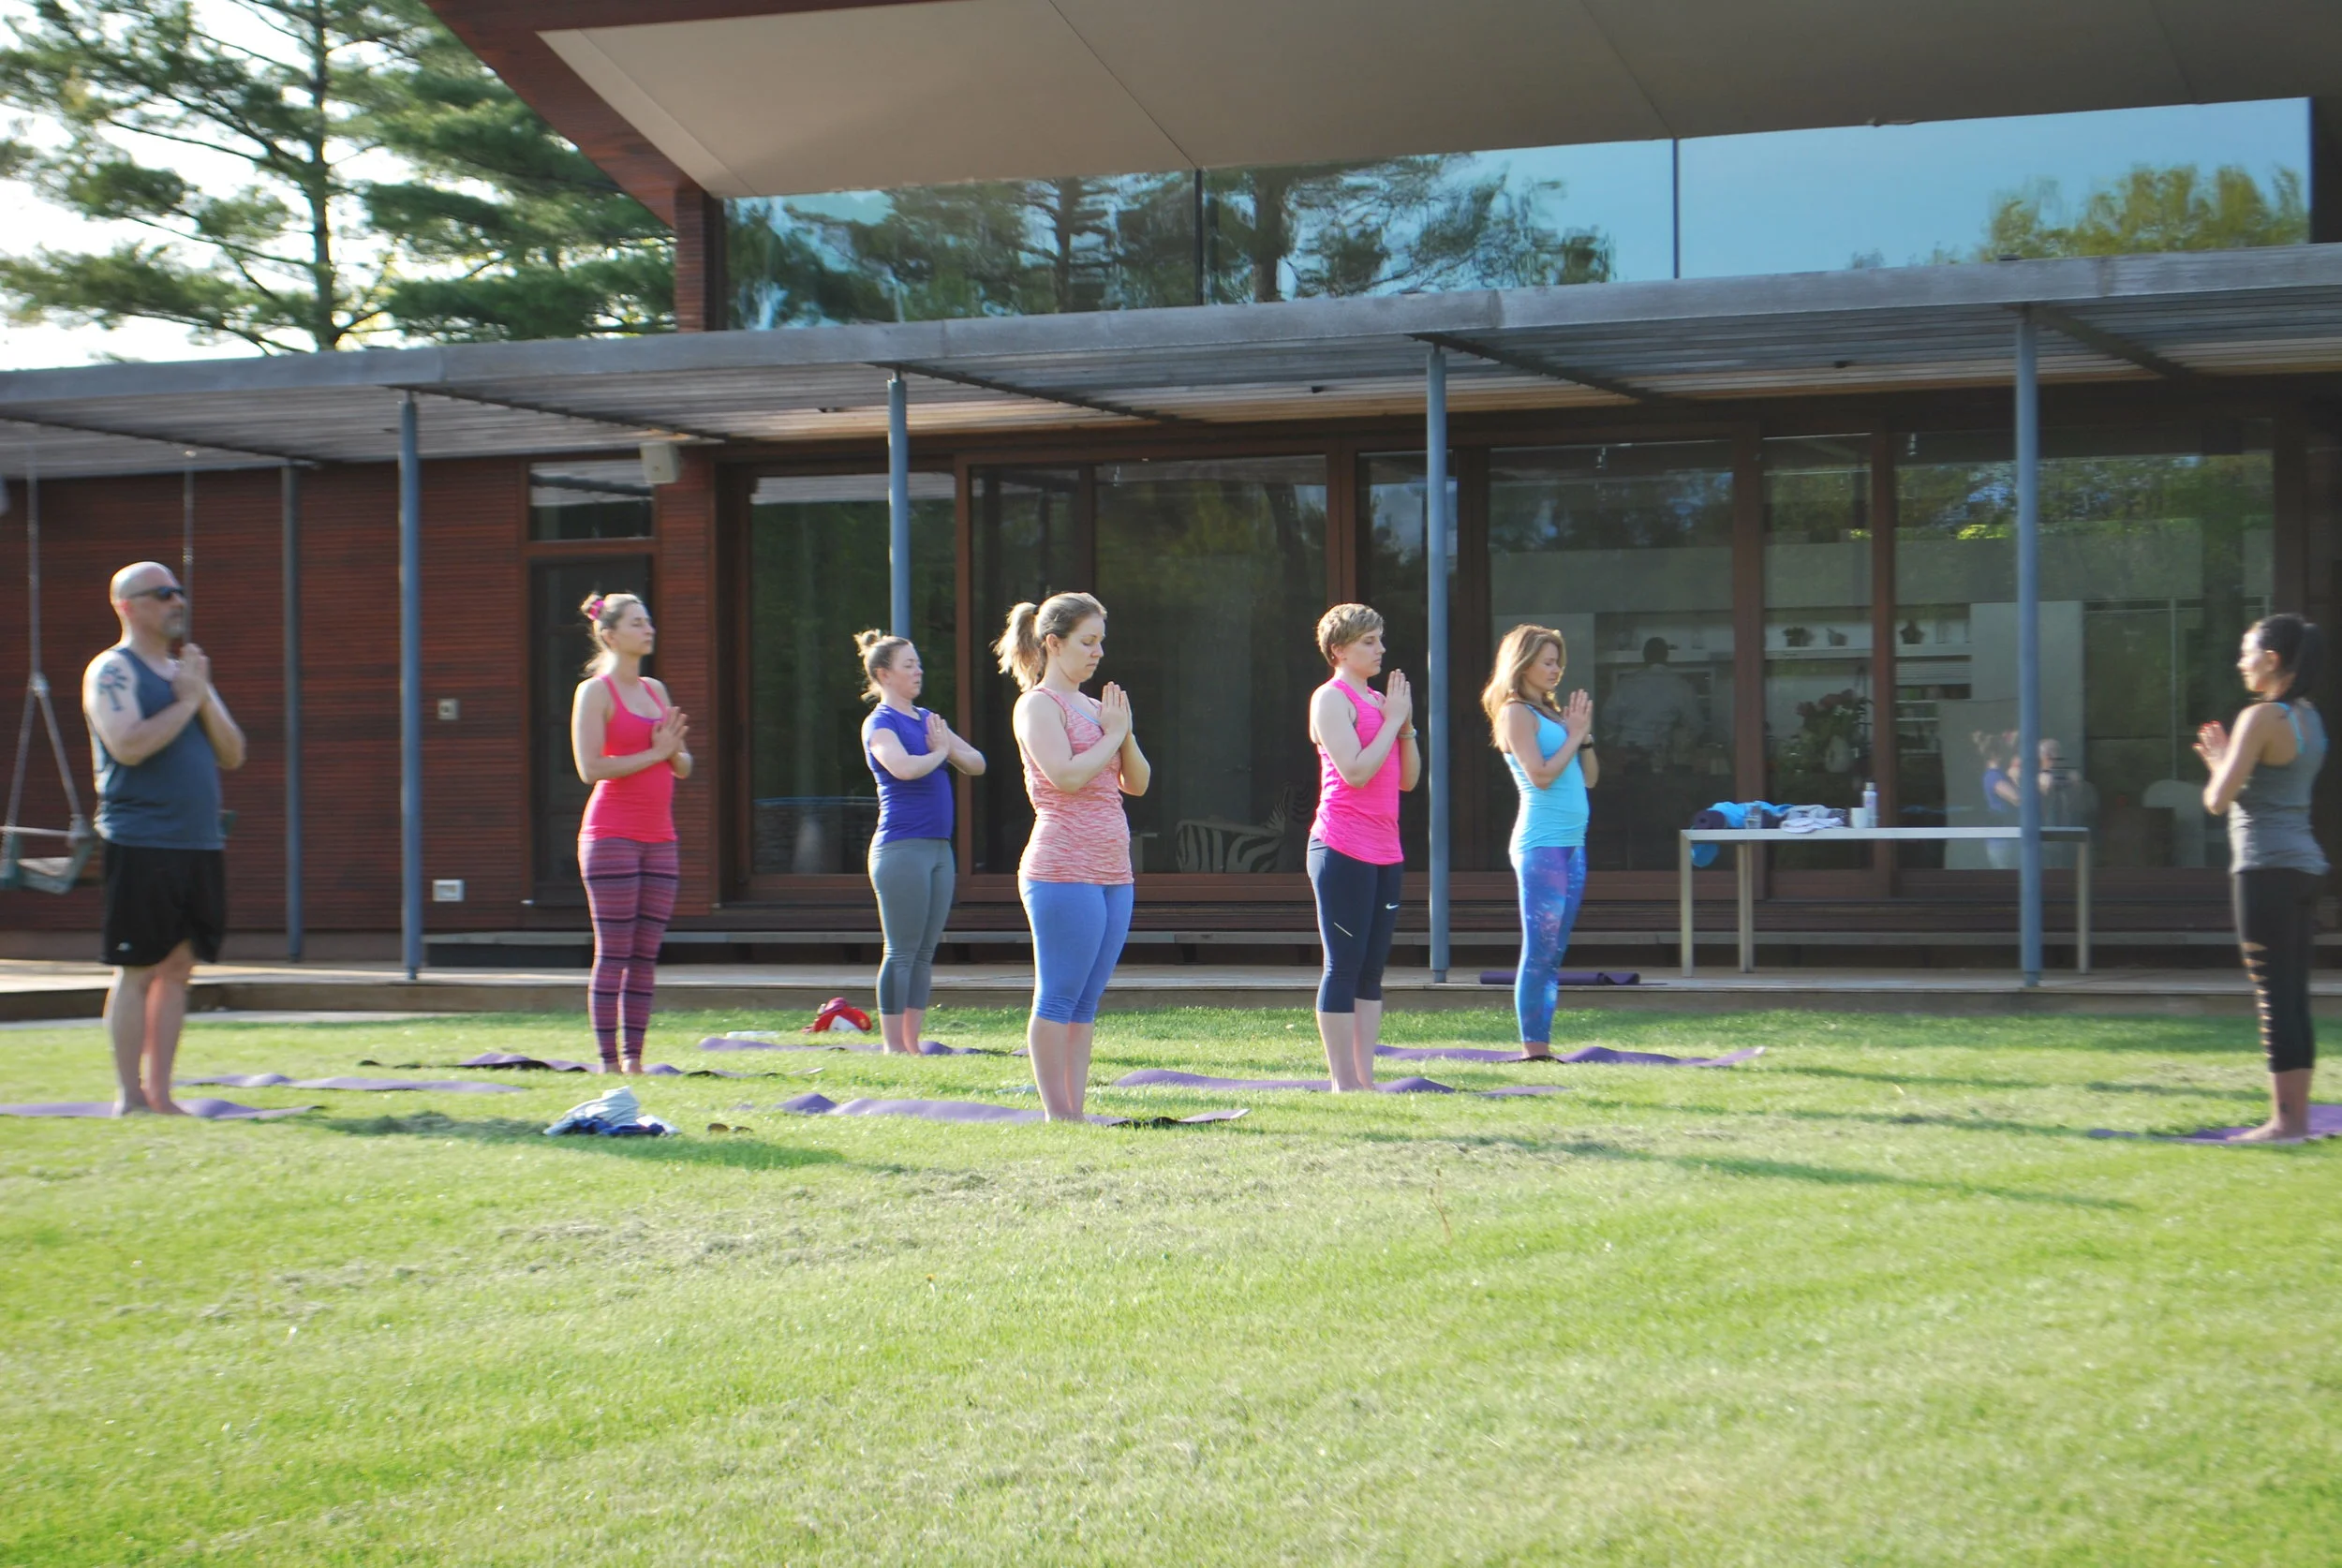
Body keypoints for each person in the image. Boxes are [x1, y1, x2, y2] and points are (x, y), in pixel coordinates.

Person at [83, 562, 245, 1116]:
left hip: (198, 843)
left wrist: (197, 695)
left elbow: (233, 752)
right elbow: (127, 745)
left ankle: (162, 1095)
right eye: (162, 594)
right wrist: (185, 700)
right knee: (138, 967)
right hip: (142, 840)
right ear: (127, 606)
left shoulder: (186, 673)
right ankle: (130, 1097)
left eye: (179, 592)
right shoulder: (113, 670)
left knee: (178, 967)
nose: (177, 601)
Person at [1000, 592, 1149, 1120]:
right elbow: (1065, 776)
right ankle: (1056, 1114)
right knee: (1059, 996)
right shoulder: (1038, 705)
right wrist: (1112, 735)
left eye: (1101, 642)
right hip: (1061, 868)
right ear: (1053, 643)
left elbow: (1138, 783)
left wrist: (1122, 732)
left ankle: (1076, 1112)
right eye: (1087, 642)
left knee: (1086, 1003)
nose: (1097, 653)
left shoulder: (1097, 708)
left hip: (1113, 868)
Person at [2197, 613, 2327, 1142]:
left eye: (2247, 651)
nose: (2240, 661)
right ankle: (2296, 1119)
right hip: (2305, 867)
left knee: (2273, 997)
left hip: (2263, 868)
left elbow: (2218, 800)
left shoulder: (2259, 718)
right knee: (2293, 994)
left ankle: (2284, 1124)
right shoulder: (2309, 718)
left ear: (2272, 661)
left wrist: (2220, 761)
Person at [571, 593, 690, 1074]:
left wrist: (673, 750)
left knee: (646, 954)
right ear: (610, 634)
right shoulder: (595, 692)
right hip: (611, 835)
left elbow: (682, 765)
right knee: (615, 950)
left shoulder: (656, 690)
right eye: (638, 623)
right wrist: (657, 752)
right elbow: (590, 767)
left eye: (649, 620)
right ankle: (608, 1064)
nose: (649, 629)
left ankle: (635, 1060)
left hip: (660, 838)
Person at [1306, 604, 1418, 1090]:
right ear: (1339, 650)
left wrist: (1405, 725)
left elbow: (1408, 781)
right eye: (1369, 642)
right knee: (1344, 966)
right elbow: (1354, 771)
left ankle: (1365, 1080)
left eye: (1380, 639)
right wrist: (1392, 722)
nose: (1381, 650)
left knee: (1372, 970)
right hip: (1341, 846)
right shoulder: (1331, 699)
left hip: (1385, 850)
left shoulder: (1380, 702)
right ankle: (1343, 1080)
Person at [857, 629, 985, 1054]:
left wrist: (945, 747)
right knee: (901, 950)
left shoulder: (928, 720)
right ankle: (893, 1046)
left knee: (926, 950)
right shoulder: (880, 723)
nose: (918, 671)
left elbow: (977, 763)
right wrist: (939, 753)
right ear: (883, 675)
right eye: (908, 665)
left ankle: (912, 1044)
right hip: (901, 849)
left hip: (937, 849)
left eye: (918, 663)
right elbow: (903, 768)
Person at [1485, 624, 1599, 1058]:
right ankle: (1534, 1050)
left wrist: (1582, 735)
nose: (1556, 670)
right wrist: (1572, 736)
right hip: (1541, 846)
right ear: (1523, 662)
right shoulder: (1516, 712)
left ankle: (1542, 1046)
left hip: (1573, 844)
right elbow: (1542, 776)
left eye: (1559, 663)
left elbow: (1589, 778)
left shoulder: (1551, 713)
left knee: (1556, 950)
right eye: (1548, 662)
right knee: (1540, 949)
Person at [1605, 637, 1702, 762]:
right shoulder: (1680, 685)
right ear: (1666, 655)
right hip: (1662, 753)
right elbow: (1695, 724)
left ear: (1644, 656)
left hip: (1628, 751)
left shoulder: (1626, 683)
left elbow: (1608, 717)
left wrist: (1613, 741)